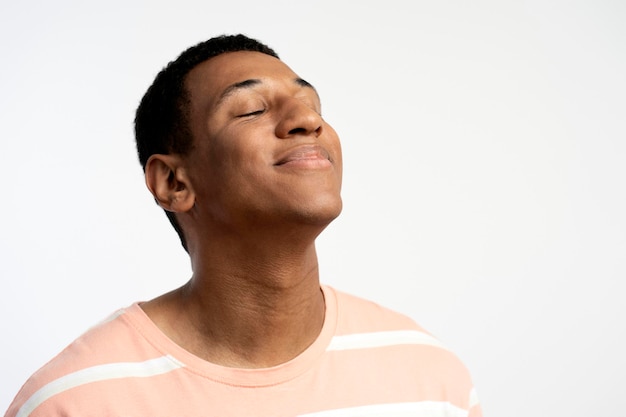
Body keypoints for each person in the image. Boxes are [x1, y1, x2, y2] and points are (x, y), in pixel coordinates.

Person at [5, 34, 482, 417]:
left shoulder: (430, 377)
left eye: (313, 105)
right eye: (252, 109)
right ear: (174, 181)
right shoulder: (75, 401)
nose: (308, 121)